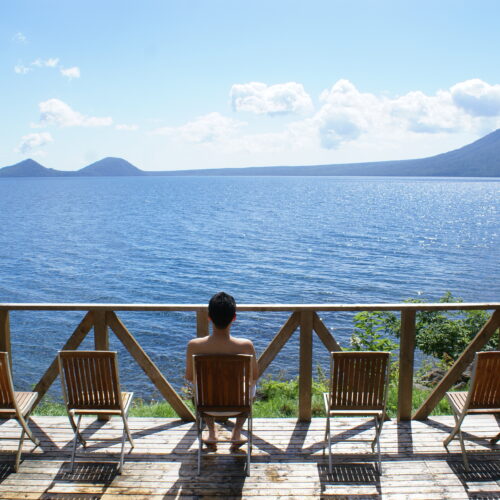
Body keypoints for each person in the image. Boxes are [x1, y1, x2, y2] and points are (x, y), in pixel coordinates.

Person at [185, 292, 258, 452]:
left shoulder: (194, 345)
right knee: (253, 386)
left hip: (206, 405)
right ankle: (237, 432)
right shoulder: (246, 346)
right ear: (234, 318)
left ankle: (211, 432)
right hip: (239, 405)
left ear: (209, 318)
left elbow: (190, 377)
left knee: (200, 387)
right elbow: (254, 377)